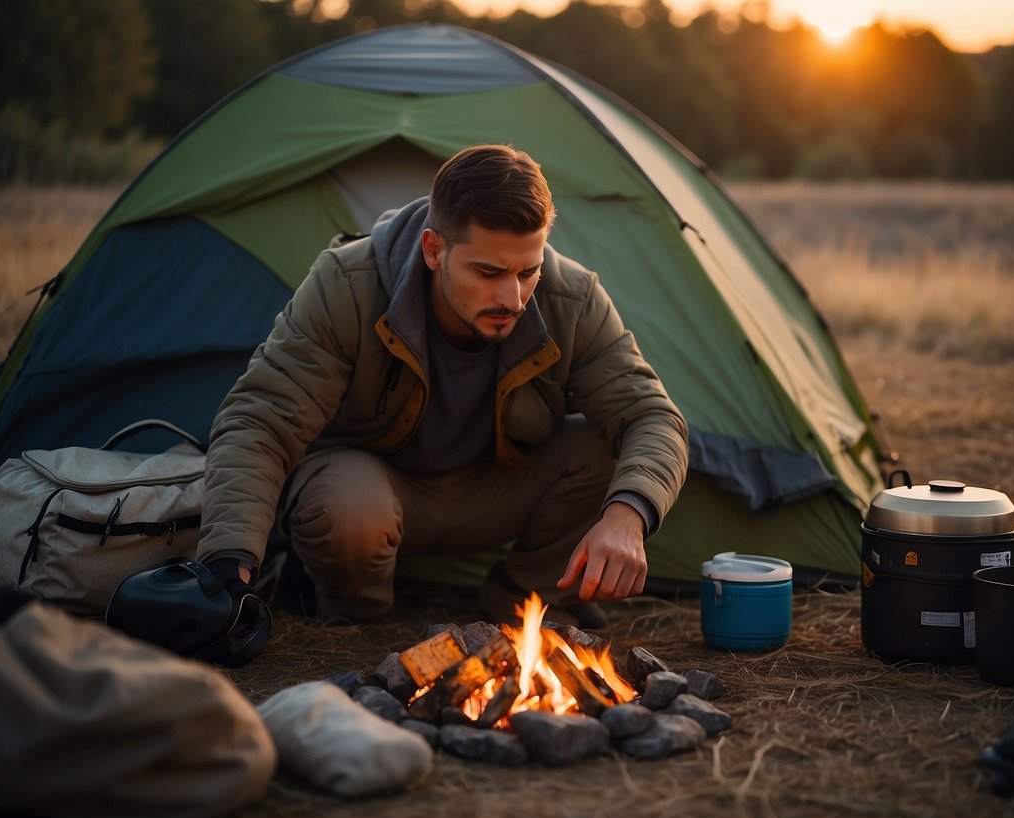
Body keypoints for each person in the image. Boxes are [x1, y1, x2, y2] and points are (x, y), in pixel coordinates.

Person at [196, 144, 688, 628]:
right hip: (373, 490)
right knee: (348, 509)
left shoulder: (572, 298)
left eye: (527, 272)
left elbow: (652, 416)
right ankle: (353, 614)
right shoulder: (347, 284)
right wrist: (227, 569)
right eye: (488, 272)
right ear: (434, 250)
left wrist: (629, 515)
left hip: (494, 489)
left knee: (610, 454)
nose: (512, 298)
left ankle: (523, 600)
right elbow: (260, 419)